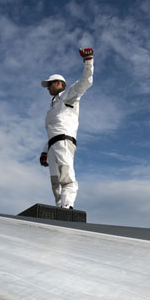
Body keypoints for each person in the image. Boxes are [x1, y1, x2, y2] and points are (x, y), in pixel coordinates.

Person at [39, 48, 93, 209]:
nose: (48, 87)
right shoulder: (54, 103)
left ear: (58, 83)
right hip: (53, 144)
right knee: (55, 180)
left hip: (64, 141)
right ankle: (59, 207)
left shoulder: (68, 96)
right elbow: (52, 130)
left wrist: (88, 61)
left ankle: (67, 206)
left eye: (49, 84)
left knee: (66, 176)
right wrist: (44, 151)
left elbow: (86, 82)